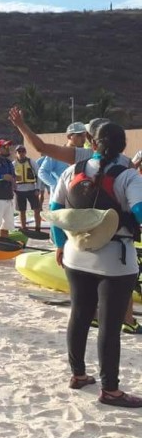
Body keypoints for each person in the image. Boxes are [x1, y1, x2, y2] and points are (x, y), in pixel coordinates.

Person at [49, 122, 142, 407]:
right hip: (115, 261)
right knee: (109, 326)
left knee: (79, 315)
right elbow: (139, 213)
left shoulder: (72, 172)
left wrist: (60, 246)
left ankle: (78, 375)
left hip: (77, 254)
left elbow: (55, 212)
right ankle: (110, 390)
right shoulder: (128, 176)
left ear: (92, 142)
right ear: (122, 146)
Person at [38, 122, 87, 197]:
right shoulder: (57, 153)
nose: (83, 138)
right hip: (60, 199)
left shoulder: (85, 153)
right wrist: (55, 185)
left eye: (84, 135)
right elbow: (42, 172)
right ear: (69, 136)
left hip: (78, 197)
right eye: (79, 135)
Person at [13, 145, 42, 233]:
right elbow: (11, 177)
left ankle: (38, 228)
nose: (21, 153)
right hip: (19, 190)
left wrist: (38, 188)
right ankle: (24, 228)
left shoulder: (31, 162)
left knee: (36, 210)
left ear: (25, 152)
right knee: (22, 211)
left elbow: (39, 175)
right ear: (16, 153)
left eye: (23, 151)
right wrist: (13, 189)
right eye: (19, 152)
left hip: (31, 189)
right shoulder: (13, 164)